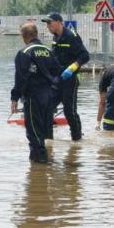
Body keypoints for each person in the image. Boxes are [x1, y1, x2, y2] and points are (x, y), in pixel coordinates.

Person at [11, 22, 62, 163]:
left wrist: (14, 98)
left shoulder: (25, 52)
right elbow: (58, 73)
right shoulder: (48, 51)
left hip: (33, 95)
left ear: (24, 36)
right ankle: (40, 165)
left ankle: (40, 169)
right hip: (49, 96)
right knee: (44, 130)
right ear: (36, 34)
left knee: (34, 131)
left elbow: (21, 77)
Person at [42, 13, 90, 141]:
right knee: (47, 109)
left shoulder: (71, 36)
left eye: (49, 23)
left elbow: (85, 56)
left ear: (59, 22)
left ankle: (77, 139)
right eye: (46, 23)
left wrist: (72, 67)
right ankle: (48, 140)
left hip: (70, 80)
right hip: (57, 80)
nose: (47, 26)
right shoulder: (55, 37)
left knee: (69, 111)